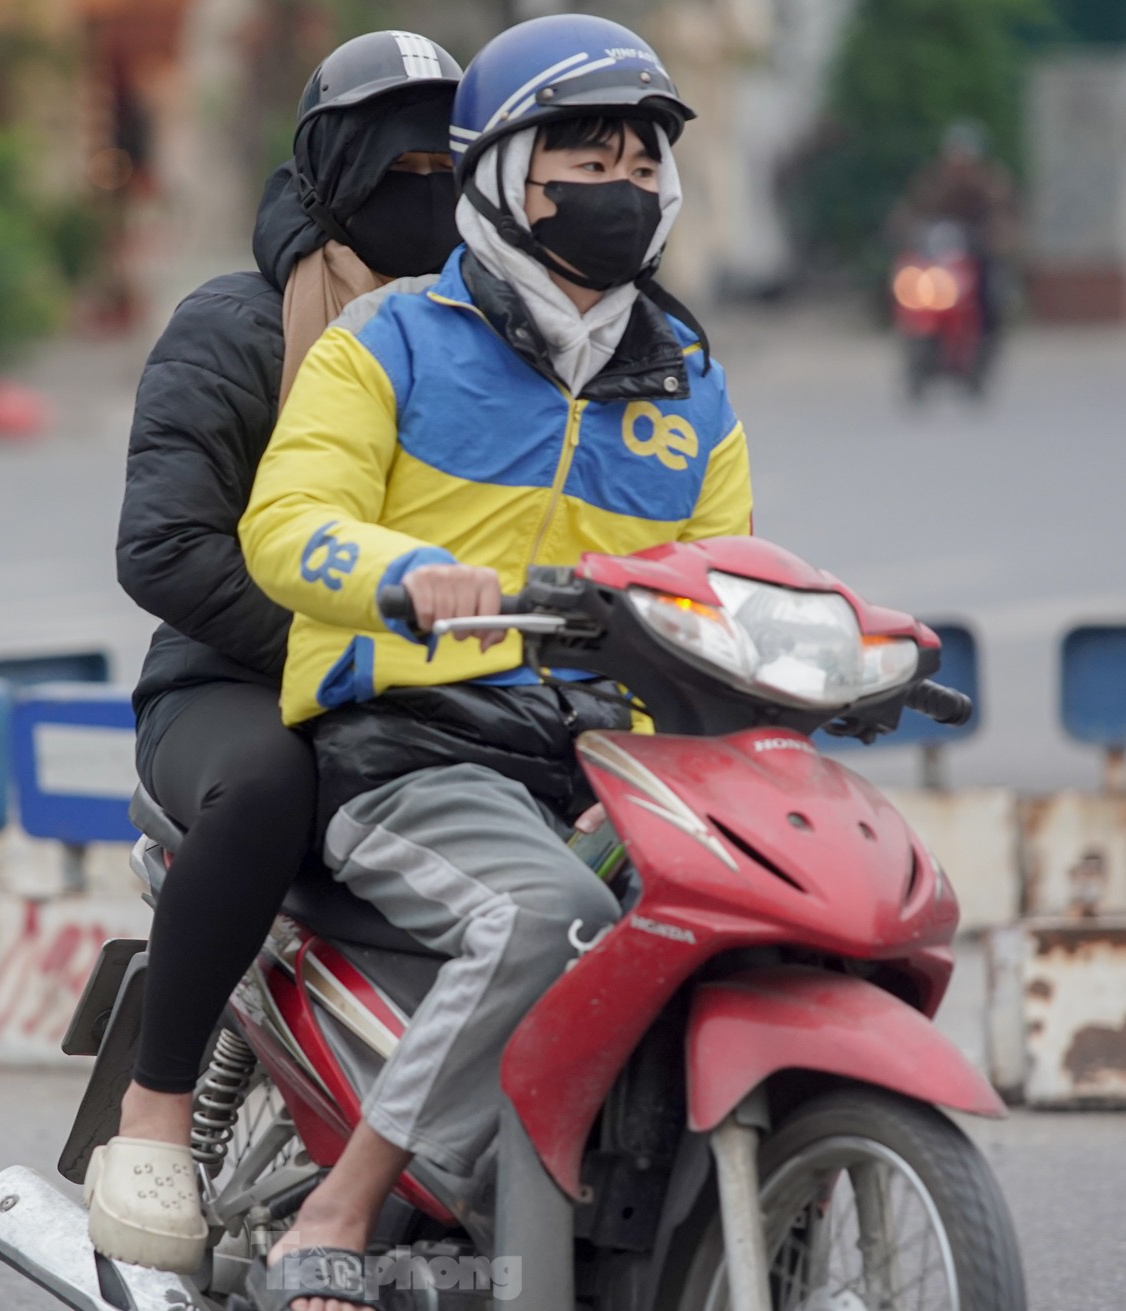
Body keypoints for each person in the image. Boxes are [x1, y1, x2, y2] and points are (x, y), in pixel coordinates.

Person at [238, 15, 752, 1310]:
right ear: (495, 174)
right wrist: (402, 576)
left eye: (639, 166)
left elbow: (729, 576)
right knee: (549, 917)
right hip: (413, 738)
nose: (617, 191)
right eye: (580, 162)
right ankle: (338, 1208)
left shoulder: (685, 381)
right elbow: (284, 525)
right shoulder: (390, 342)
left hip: (599, 758)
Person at [86, 30, 464, 1274]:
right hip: (233, 686)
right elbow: (165, 550)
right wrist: (339, 650)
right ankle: (152, 1111)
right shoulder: (236, 326)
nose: (433, 192)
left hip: (443, 683)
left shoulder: (487, 343)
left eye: (452, 160)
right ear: (330, 169)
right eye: (400, 164)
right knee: (267, 788)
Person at [891, 120, 1019, 340]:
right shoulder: (934, 179)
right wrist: (902, 230)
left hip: (975, 249)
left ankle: (988, 332)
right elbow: (912, 209)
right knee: (911, 280)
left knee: (990, 287)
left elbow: (1003, 212)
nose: (960, 163)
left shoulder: (991, 181)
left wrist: (1000, 237)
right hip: (940, 250)